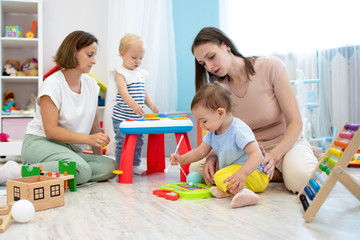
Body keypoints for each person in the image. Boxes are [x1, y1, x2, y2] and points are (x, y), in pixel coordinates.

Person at [190, 27, 318, 193]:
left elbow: (295, 123)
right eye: (203, 64)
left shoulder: (270, 66)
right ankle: (272, 173)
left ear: (226, 45)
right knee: (198, 170)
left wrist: (274, 155)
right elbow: (221, 131)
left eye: (211, 57)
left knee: (302, 179)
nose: (209, 66)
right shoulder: (218, 90)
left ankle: (288, 165)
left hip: (284, 143)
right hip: (245, 151)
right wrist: (212, 155)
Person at [19, 30, 116, 185]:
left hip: (69, 150)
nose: (94, 61)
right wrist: (88, 139)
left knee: (109, 166)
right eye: (90, 55)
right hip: (40, 143)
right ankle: (17, 172)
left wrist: (98, 157)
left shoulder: (91, 85)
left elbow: (94, 129)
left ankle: (56, 172)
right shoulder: (52, 84)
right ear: (73, 52)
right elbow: (51, 131)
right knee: (80, 169)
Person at [170, 82, 268, 208]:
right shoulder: (212, 133)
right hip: (234, 172)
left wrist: (242, 173)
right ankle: (226, 191)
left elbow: (256, 154)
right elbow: (200, 152)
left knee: (220, 175)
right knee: (214, 176)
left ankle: (245, 192)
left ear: (220, 113)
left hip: (253, 174)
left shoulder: (238, 130)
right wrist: (182, 159)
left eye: (204, 121)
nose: (201, 126)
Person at [112, 33, 158, 175]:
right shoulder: (120, 73)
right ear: (122, 54)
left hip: (137, 118)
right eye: (134, 57)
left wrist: (151, 105)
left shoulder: (140, 73)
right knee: (122, 142)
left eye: (141, 58)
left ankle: (135, 165)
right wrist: (133, 105)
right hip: (122, 117)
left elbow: (143, 92)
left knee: (138, 142)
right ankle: (122, 167)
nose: (138, 61)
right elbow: (123, 92)